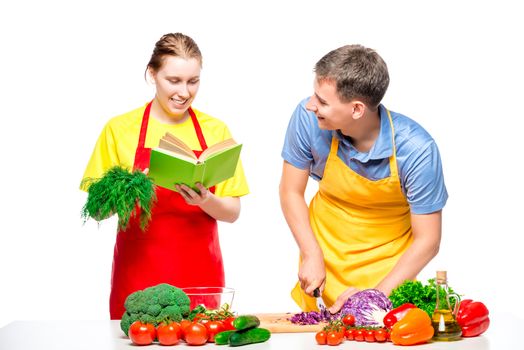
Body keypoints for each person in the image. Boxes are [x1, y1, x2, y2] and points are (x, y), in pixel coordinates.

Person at [81, 33, 249, 319]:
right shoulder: (120, 129)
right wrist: (129, 187)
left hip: (200, 279)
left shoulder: (215, 131)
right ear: (152, 74)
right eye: (174, 80)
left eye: (193, 81)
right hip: (137, 278)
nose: (184, 92)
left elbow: (232, 212)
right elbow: (95, 211)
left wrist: (205, 200)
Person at [279, 44, 447, 313]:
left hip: (389, 274)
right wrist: (311, 253)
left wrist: (375, 298)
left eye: (322, 101)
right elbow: (290, 191)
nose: (311, 105)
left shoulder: (417, 151)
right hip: (324, 260)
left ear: (357, 109)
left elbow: (428, 240)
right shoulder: (309, 119)